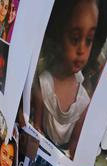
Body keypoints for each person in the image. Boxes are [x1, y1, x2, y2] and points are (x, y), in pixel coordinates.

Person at [30, 0, 98, 157]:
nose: (81, 49)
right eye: (75, 38)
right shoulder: (44, 84)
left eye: (88, 40)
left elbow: (74, 145)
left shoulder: (84, 99)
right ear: (59, 37)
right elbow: (37, 127)